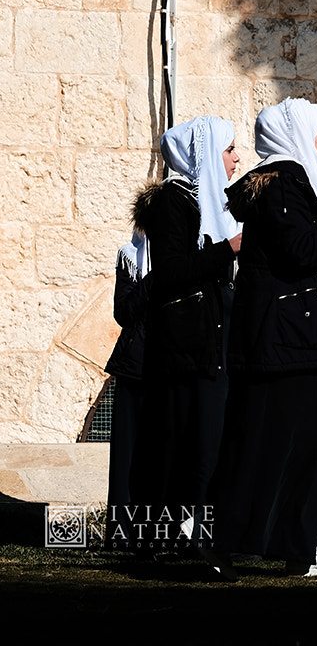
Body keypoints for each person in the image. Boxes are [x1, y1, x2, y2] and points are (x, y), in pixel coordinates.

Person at [213, 98, 317, 577]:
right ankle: (275, 544)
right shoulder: (286, 182)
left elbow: (291, 252)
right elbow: (300, 250)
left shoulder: (282, 184)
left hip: (286, 339)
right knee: (293, 448)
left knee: (290, 445)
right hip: (286, 342)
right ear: (299, 134)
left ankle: (300, 544)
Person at [127, 116, 241, 551]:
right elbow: (172, 271)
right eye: (228, 150)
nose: (235, 158)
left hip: (209, 341)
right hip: (185, 345)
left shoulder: (210, 201)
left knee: (207, 439)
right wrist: (227, 250)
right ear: (205, 154)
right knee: (181, 441)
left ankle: (198, 529)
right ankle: (169, 533)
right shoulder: (173, 203)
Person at [104, 233, 152, 548]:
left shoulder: (195, 256)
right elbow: (123, 312)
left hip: (177, 366)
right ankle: (124, 534)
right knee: (128, 453)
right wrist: (153, 278)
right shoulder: (130, 257)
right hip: (136, 367)